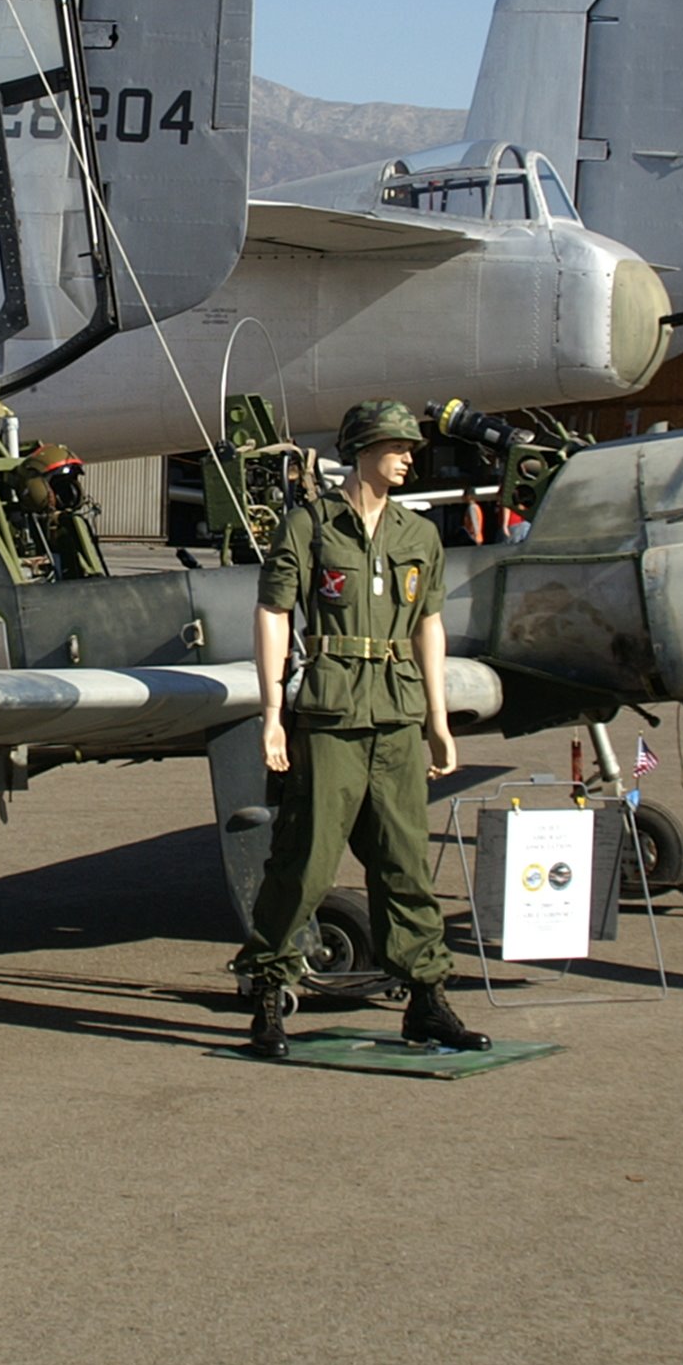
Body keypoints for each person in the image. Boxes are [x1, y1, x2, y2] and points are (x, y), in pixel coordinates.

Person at [238, 400, 486, 1057]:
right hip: (331, 711)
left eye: (410, 447)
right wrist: (272, 716)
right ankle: (267, 993)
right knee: (306, 859)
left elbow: (429, 624)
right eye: (398, 447)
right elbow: (273, 614)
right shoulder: (310, 526)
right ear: (364, 451)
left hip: (398, 716)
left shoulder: (417, 535)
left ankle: (427, 999)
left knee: (406, 862)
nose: (410, 456)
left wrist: (438, 718)